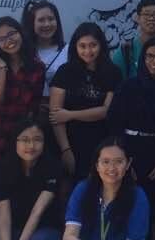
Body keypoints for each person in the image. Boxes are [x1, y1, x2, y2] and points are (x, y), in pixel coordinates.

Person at [107, 37, 155, 210]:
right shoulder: (128, 86)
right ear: (143, 58)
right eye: (149, 56)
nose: (154, 61)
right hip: (129, 149)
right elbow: (115, 123)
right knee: (124, 202)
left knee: (149, 203)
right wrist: (124, 160)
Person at [50, 23, 120, 183]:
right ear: (75, 47)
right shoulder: (64, 72)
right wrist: (65, 149)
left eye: (93, 45)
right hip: (71, 143)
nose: (88, 51)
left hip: (103, 143)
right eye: (82, 46)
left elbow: (106, 111)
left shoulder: (113, 72)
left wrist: (69, 115)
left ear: (101, 45)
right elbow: (56, 116)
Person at [0, 17, 45, 163]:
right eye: (2, 39)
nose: (8, 41)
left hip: (18, 134)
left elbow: (34, 106)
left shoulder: (37, 67)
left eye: (11, 34)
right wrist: (2, 70)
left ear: (21, 33)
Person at [21, 0, 68, 119]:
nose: (47, 24)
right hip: (28, 116)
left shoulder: (69, 51)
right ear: (32, 23)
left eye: (51, 19)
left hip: (60, 115)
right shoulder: (23, 52)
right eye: (41, 20)